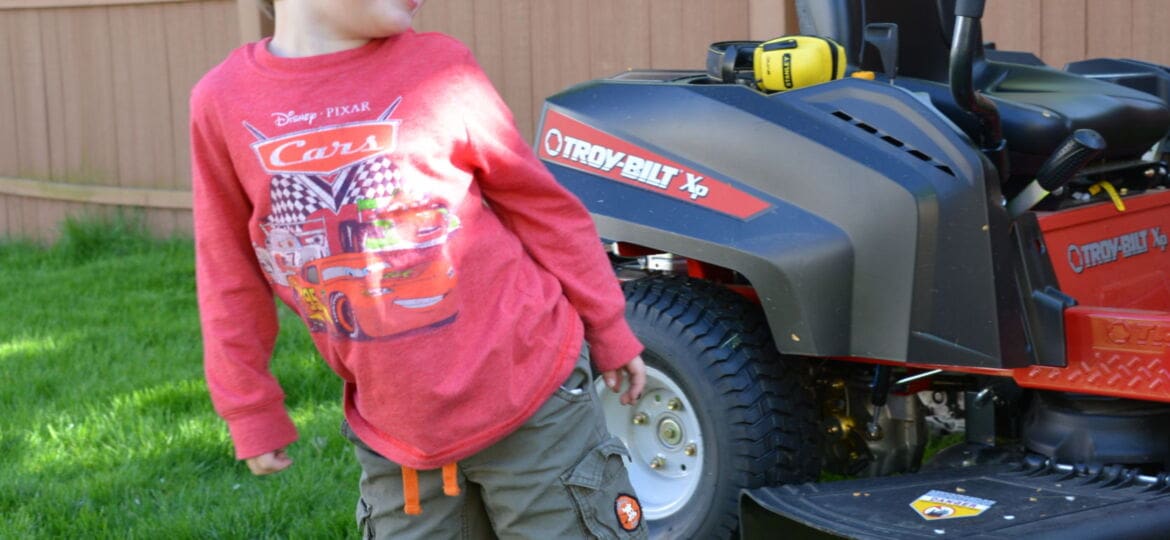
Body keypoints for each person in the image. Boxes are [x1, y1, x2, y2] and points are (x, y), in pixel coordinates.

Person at [189, 0, 649, 537]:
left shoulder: (439, 67)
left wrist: (609, 325)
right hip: (395, 429)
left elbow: (543, 207)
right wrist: (249, 407)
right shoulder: (222, 101)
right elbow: (227, 269)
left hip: (530, 393)